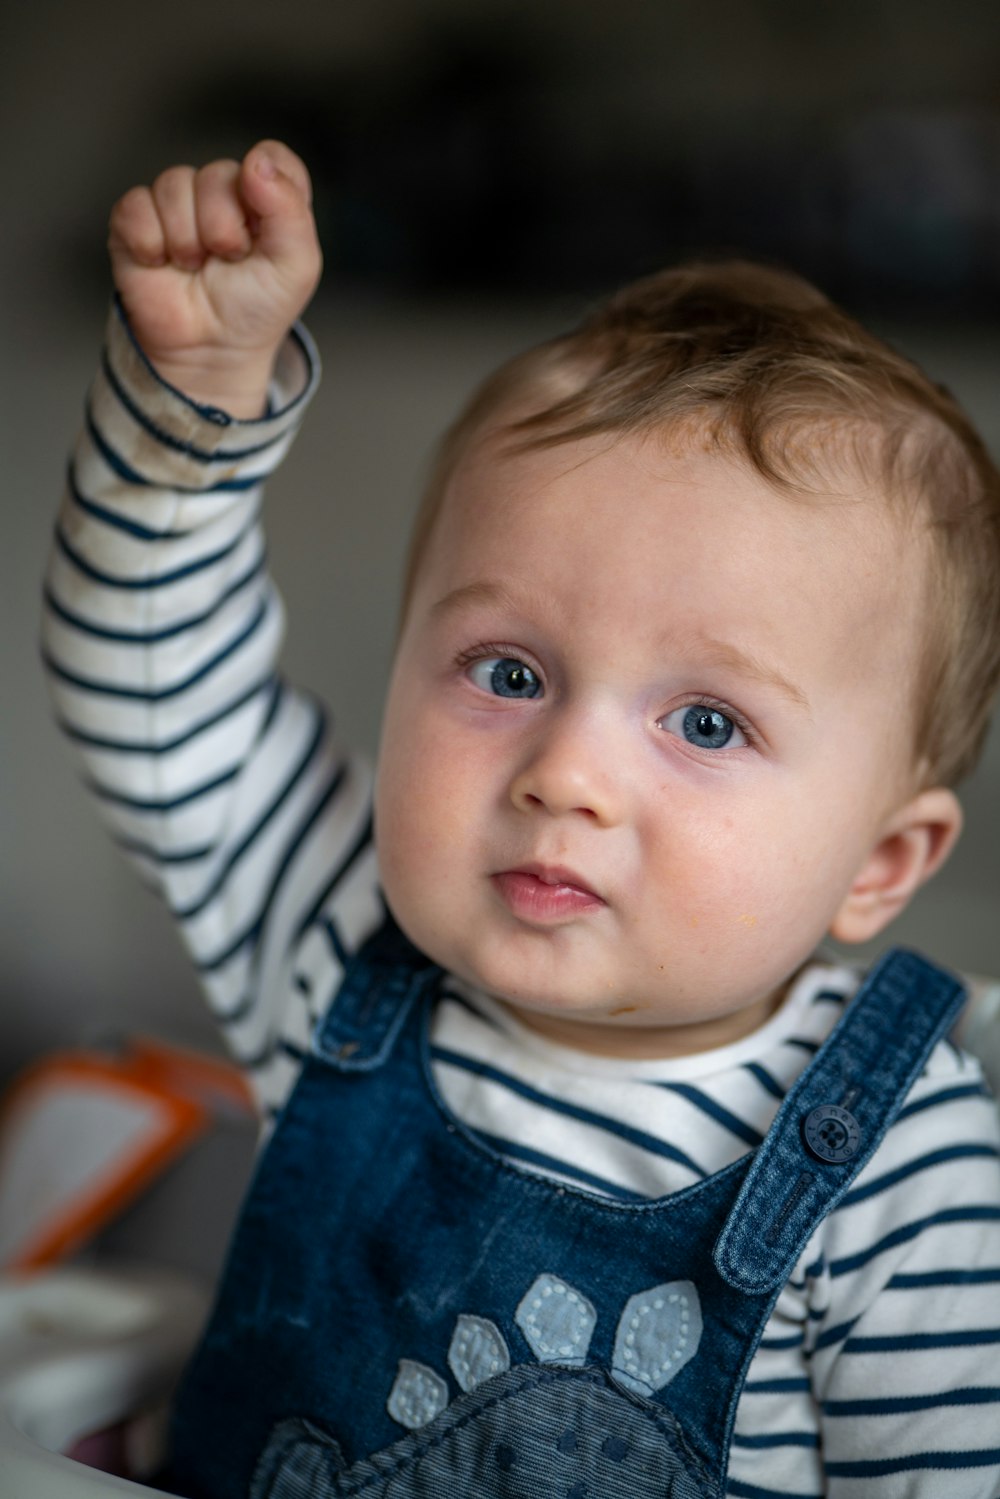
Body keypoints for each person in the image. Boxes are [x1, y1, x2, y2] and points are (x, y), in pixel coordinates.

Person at [42, 139, 1000, 1498]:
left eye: (707, 723)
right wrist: (190, 405)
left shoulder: (904, 1162)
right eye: (509, 674)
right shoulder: (335, 951)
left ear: (880, 865)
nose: (567, 774)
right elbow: (144, 687)